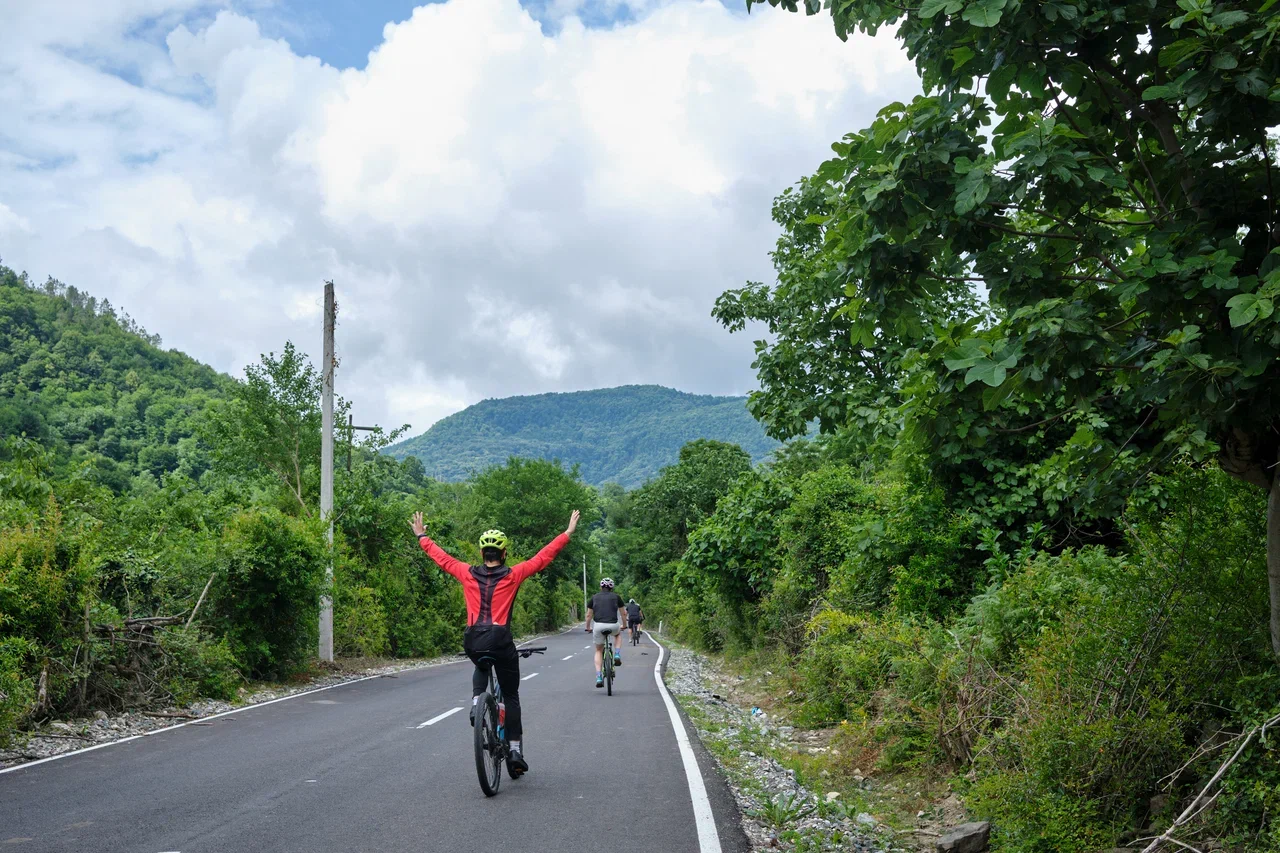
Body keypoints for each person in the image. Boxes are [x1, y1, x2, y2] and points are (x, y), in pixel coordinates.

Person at [411, 508, 580, 777]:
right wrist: (567, 533)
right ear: (503, 554)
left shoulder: (466, 573)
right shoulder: (513, 575)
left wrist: (422, 536)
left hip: (473, 640)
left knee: (480, 663)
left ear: (481, 554)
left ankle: (477, 701)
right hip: (501, 641)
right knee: (511, 695)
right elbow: (542, 558)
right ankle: (514, 750)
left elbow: (441, 558)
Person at [585, 578, 625, 688]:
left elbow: (589, 615)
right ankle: (616, 654)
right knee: (617, 635)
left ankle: (598, 676)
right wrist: (625, 625)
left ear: (601, 587)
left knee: (598, 650)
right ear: (612, 587)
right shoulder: (616, 597)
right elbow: (623, 614)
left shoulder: (594, 597)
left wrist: (588, 627)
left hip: (598, 626)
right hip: (613, 624)